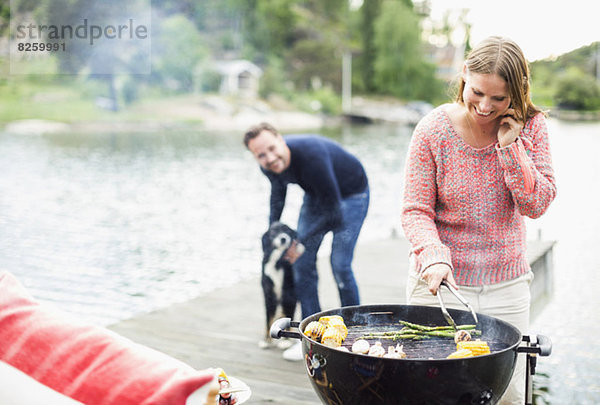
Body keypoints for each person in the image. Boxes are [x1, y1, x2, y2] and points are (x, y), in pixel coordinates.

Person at [400, 36, 556, 405]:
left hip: (507, 287)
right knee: (430, 391)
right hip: (439, 283)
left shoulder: (532, 127)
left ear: (516, 95)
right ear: (464, 76)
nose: (484, 106)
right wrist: (433, 254)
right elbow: (415, 209)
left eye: (498, 98)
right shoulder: (432, 130)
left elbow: (536, 204)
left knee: (508, 394)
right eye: (477, 92)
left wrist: (510, 147)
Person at [244, 122, 370, 361]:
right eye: (261, 155)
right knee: (301, 263)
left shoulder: (311, 155)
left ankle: (356, 331)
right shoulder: (269, 165)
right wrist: (273, 228)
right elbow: (278, 194)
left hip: (351, 195)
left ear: (281, 139)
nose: (269, 158)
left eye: (272, 148)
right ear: (255, 156)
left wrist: (300, 242)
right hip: (317, 195)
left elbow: (334, 212)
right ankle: (312, 336)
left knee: (340, 264)